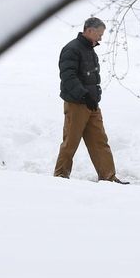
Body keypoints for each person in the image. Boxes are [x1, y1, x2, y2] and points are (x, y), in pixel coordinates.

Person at [53, 17, 128, 184]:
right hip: (76, 104)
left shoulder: (89, 50)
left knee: (100, 141)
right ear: (89, 30)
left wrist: (95, 96)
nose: (101, 38)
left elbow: (93, 78)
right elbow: (68, 77)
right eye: (99, 34)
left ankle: (108, 177)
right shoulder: (72, 49)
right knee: (70, 143)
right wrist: (84, 95)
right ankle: (60, 177)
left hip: (92, 105)